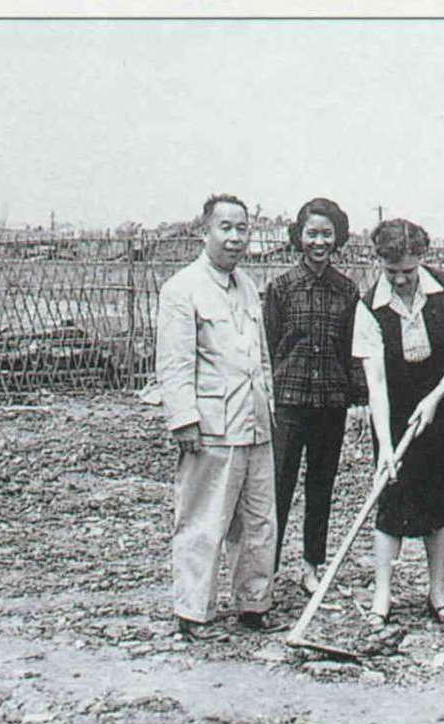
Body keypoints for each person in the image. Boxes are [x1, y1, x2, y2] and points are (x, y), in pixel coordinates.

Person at [156, 193, 284, 639]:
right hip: (211, 425)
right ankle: (194, 612)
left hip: (255, 422)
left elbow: (260, 356)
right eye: (225, 228)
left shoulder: (247, 286)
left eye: (241, 229)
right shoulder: (182, 289)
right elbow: (174, 363)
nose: (234, 238)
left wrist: (268, 407)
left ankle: (254, 604)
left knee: (259, 520)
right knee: (204, 520)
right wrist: (184, 420)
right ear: (203, 231)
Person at [351, 218, 444, 629]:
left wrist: (437, 394)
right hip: (395, 407)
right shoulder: (369, 306)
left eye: (408, 270)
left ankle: (438, 593)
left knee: (436, 494)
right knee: (389, 495)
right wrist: (386, 447)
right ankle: (382, 596)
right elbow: (375, 383)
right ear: (380, 262)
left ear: (421, 259)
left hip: (443, 404)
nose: (401, 279)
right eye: (392, 271)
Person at [262, 198, 369, 593]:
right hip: (289, 404)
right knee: (278, 487)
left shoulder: (347, 290)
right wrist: (273, 392)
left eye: (327, 234)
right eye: (312, 234)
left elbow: (353, 349)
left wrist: (358, 398)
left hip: (330, 403)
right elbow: (270, 345)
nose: (319, 242)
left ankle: (312, 566)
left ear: (338, 237)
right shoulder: (281, 288)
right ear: (299, 236)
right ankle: (266, 571)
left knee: (321, 486)